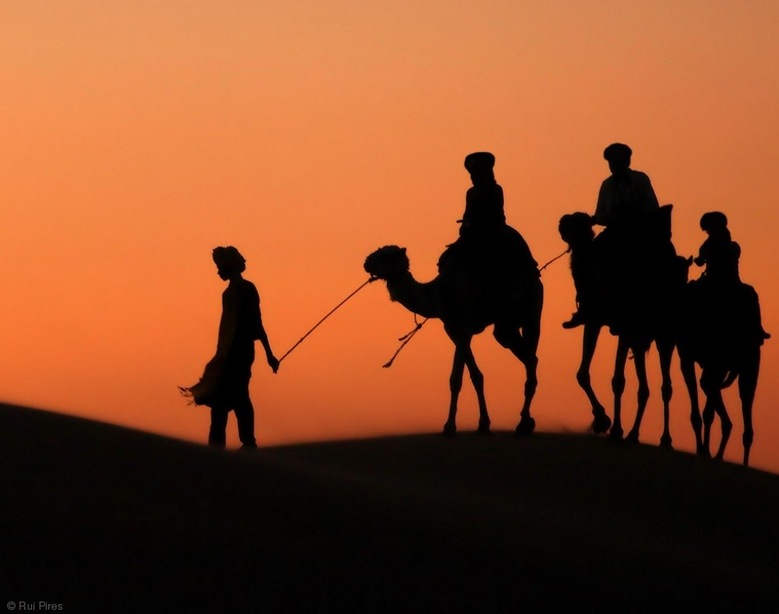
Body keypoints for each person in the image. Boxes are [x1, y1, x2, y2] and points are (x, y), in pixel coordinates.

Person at [186, 246, 279, 448]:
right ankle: (241, 444)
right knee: (232, 399)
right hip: (235, 352)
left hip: (235, 352)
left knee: (232, 399)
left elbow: (252, 323)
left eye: (220, 266)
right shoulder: (237, 291)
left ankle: (238, 445)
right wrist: (269, 354)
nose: (218, 271)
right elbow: (250, 324)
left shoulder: (237, 291)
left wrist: (268, 354)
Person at [563, 143, 662, 329]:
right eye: (611, 162)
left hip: (639, 232)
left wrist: (630, 214)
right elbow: (601, 215)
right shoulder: (607, 185)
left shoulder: (640, 180)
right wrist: (592, 220)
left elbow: (652, 209)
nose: (614, 165)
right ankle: (586, 304)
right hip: (615, 232)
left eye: (617, 160)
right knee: (584, 258)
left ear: (627, 160)